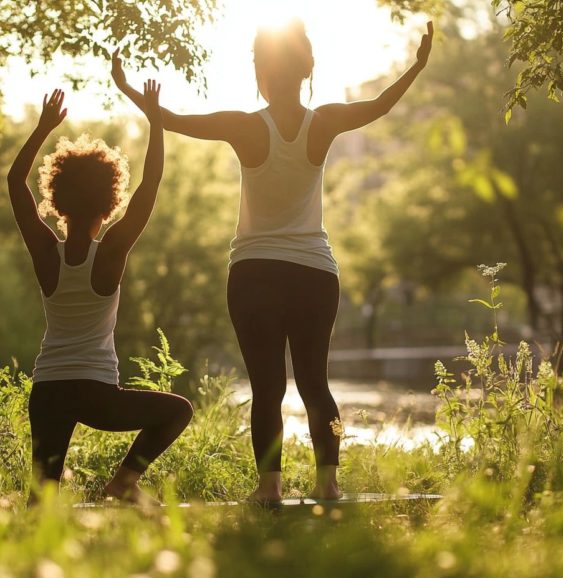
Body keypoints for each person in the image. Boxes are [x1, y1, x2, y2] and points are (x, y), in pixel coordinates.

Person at [114, 19, 434, 502]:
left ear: (260, 73)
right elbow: (380, 105)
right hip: (314, 273)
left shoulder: (244, 127)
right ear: (306, 71)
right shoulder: (322, 122)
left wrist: (130, 91)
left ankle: (269, 488)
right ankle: (328, 484)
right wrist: (416, 65)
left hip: (254, 273)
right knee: (314, 383)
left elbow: (174, 121)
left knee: (266, 387)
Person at [7, 81, 193, 506]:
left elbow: (15, 181)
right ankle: (124, 482)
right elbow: (151, 183)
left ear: (57, 197)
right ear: (110, 201)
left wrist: (42, 128)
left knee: (42, 501)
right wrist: (156, 120)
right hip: (97, 394)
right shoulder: (110, 252)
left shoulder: (45, 253)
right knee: (179, 410)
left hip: (48, 389)